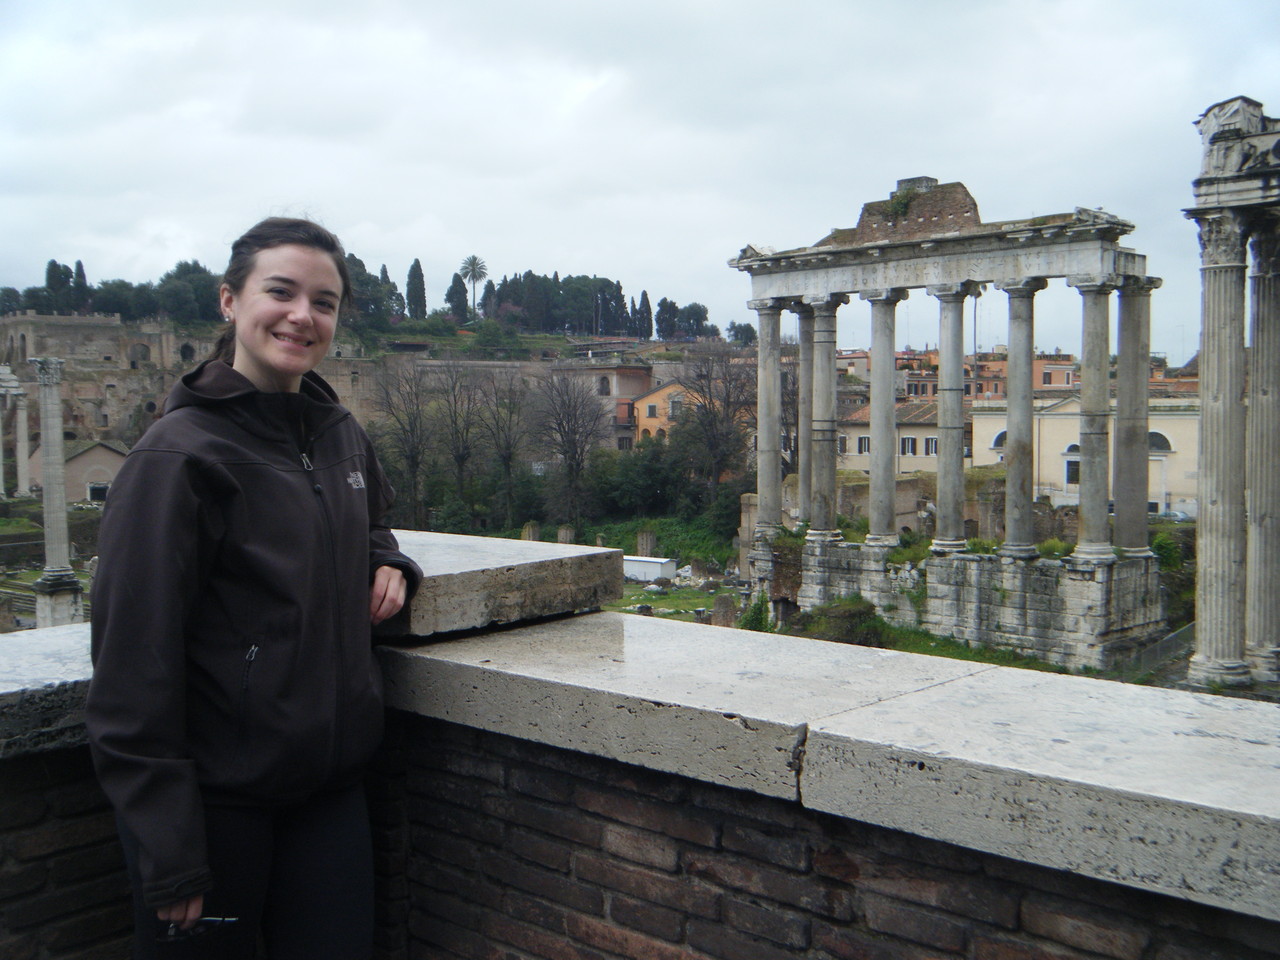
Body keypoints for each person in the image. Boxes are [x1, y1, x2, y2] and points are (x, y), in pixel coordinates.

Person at [86, 217, 422, 959]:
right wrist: (170, 853)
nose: (303, 315)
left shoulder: (338, 434)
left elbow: (370, 524)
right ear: (230, 302)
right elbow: (130, 671)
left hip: (329, 798)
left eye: (325, 302)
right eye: (282, 291)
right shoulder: (176, 458)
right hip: (214, 809)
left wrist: (390, 561)